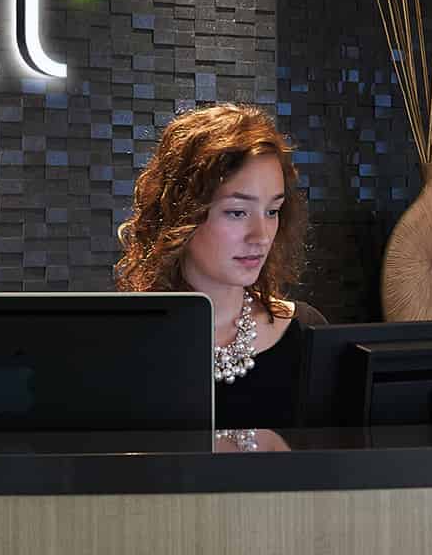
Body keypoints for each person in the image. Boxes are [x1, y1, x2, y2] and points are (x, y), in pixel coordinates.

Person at [116, 102, 325, 429]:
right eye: (237, 212)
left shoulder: (306, 333)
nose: (261, 236)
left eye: (272, 211)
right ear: (182, 213)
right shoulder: (122, 345)